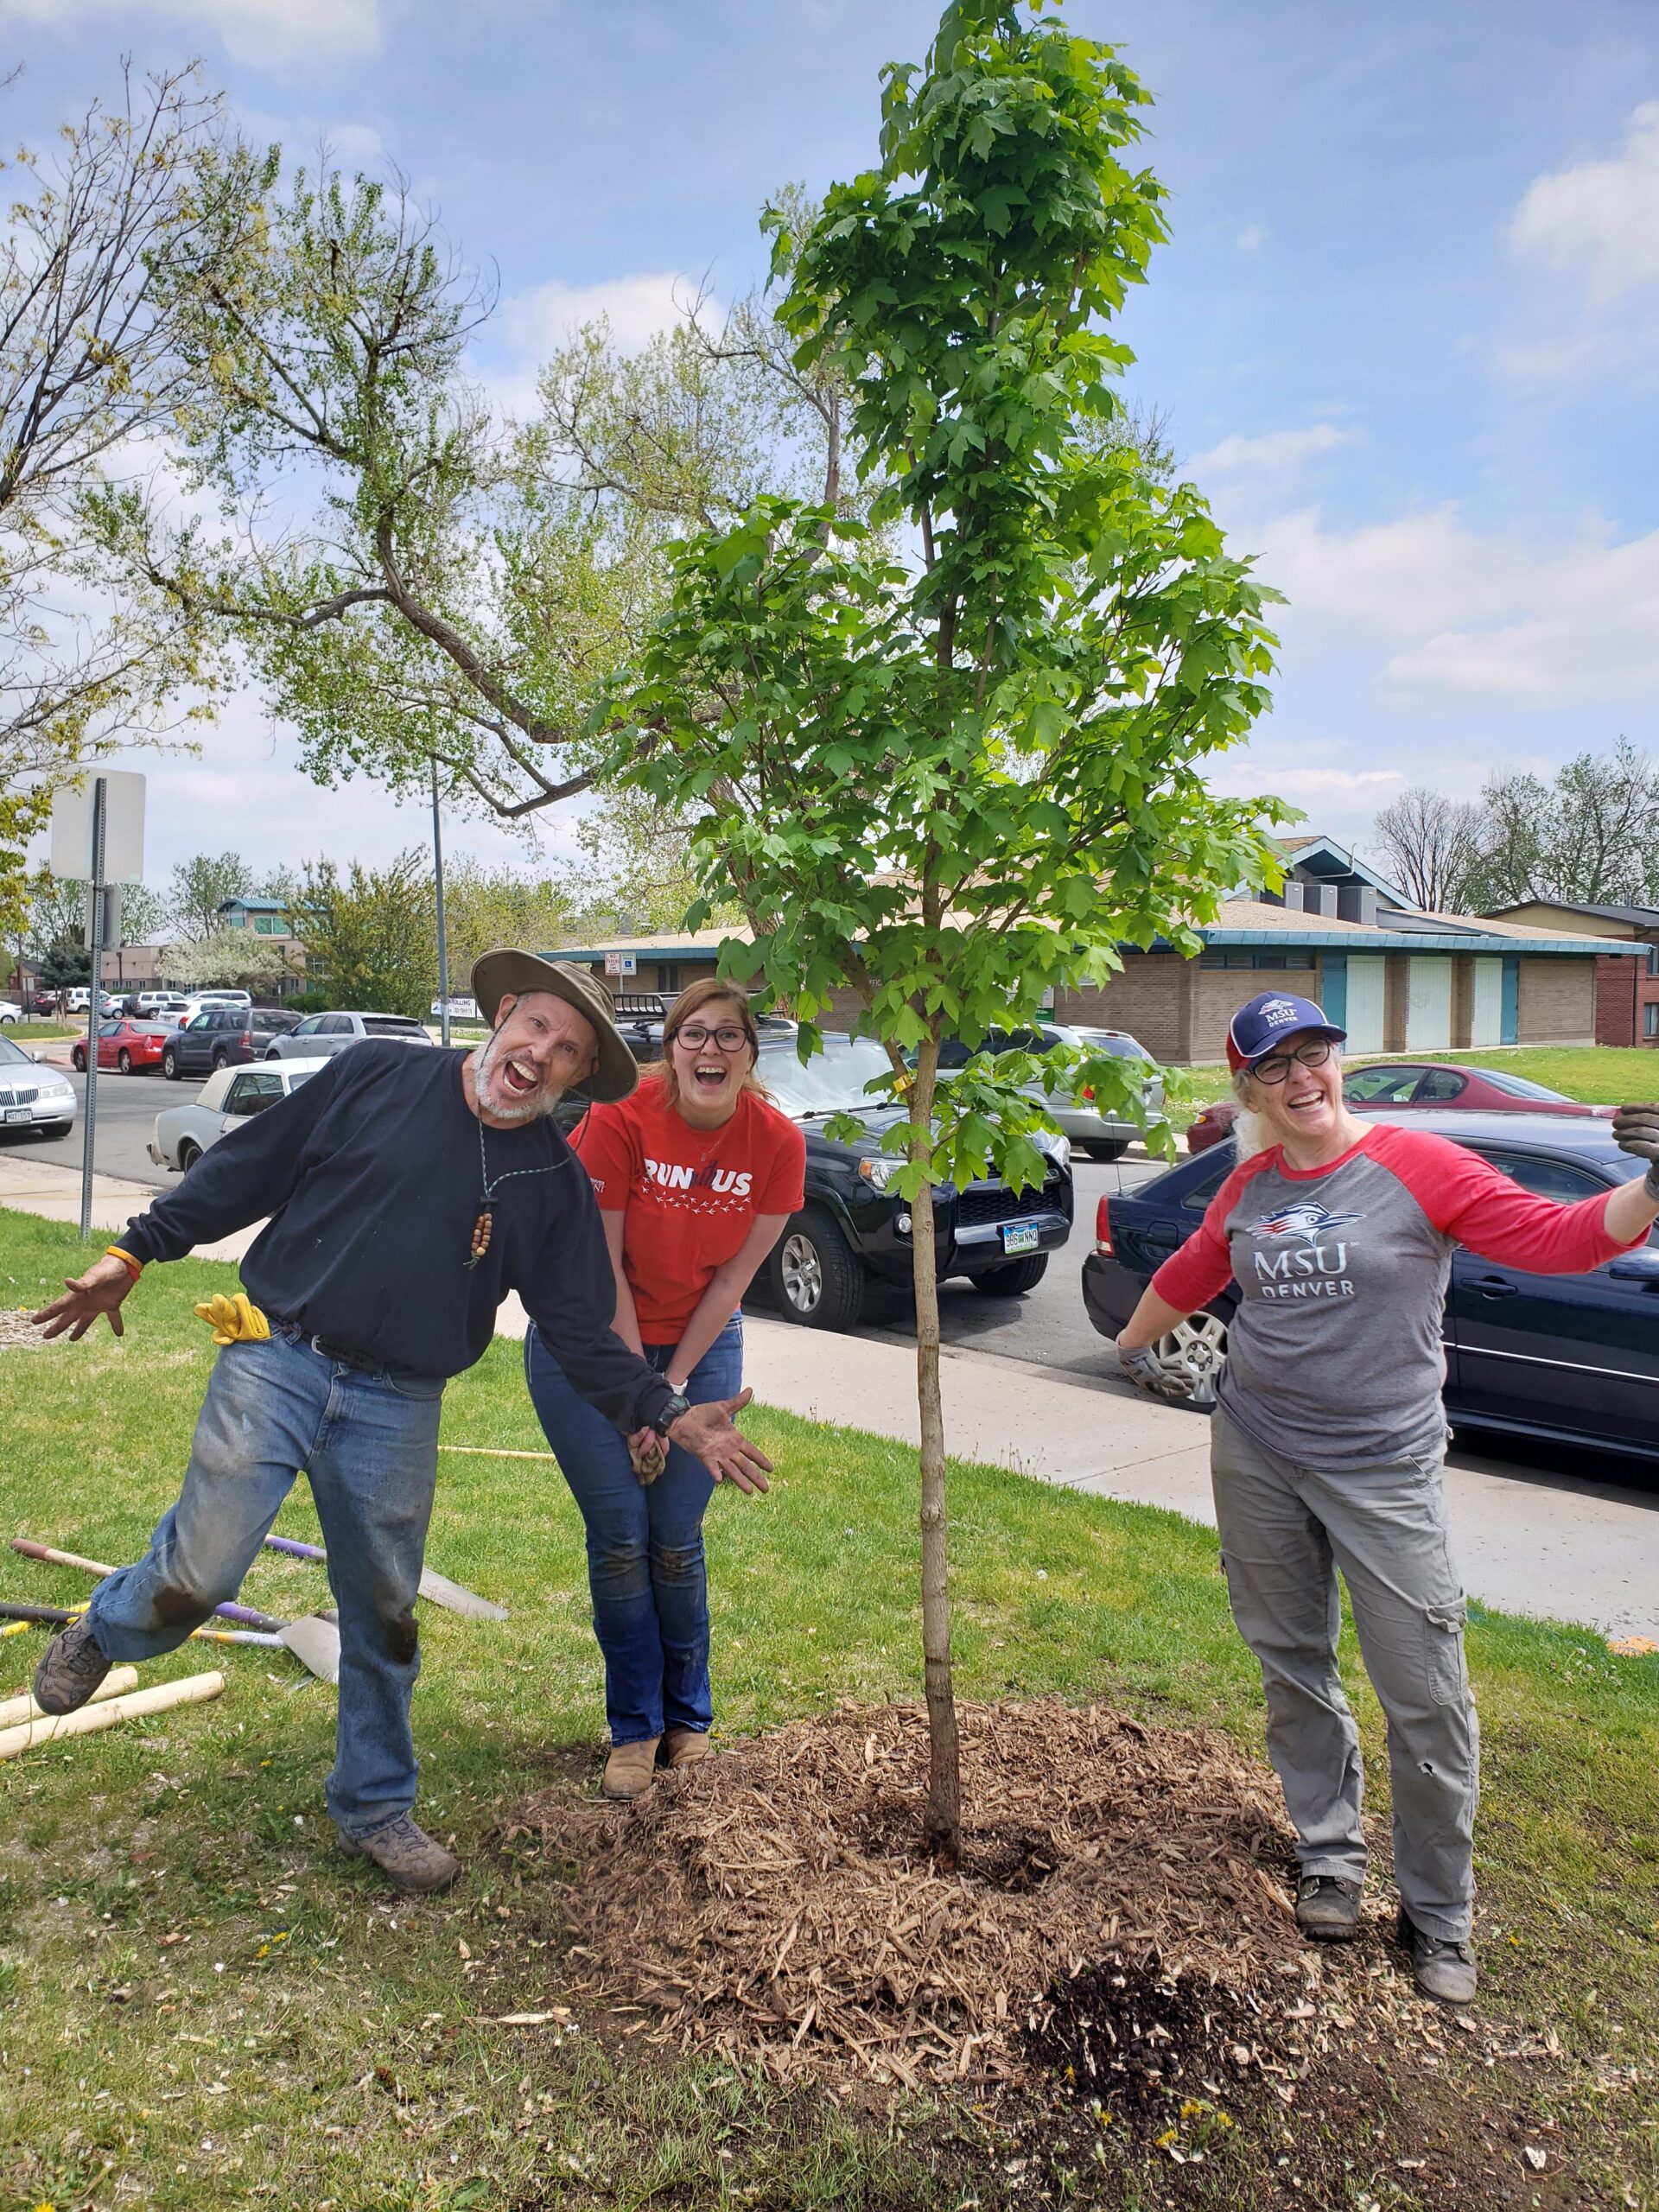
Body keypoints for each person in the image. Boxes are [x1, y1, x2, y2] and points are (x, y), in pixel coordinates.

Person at [29, 953, 773, 1895]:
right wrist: (135, 1250)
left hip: (400, 1401)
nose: (542, 1056)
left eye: (570, 1052)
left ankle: (375, 1804)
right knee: (200, 1570)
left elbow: (582, 1328)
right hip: (277, 1353)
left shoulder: (549, 1175)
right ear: (504, 1015)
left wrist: (668, 1411)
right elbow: (251, 1166)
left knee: (383, 1614)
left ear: (580, 1077)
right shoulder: (377, 1073)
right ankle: (109, 1624)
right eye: (537, 1028)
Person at [1114, 990, 1659, 2005]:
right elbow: (1195, 1268)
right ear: (1251, 1088)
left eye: (1315, 1054)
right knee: (1292, 1665)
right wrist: (1129, 1337)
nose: (1302, 1079)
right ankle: (1329, 1854)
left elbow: (1564, 1237)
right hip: (1259, 1448)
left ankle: (1439, 1912)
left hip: (1383, 1463)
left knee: (1425, 1693)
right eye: (1276, 1067)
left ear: (1339, 1061)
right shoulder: (1251, 1185)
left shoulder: (1420, 1165)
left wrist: (1653, 1188)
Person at [525, 978, 806, 1801]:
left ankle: (688, 1725)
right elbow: (599, 1263)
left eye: (728, 1037)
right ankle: (635, 1729)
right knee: (619, 1537)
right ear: (670, 1048)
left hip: (699, 1345)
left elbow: (733, 1282)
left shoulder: (776, 1144)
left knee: (675, 1541)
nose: (709, 1050)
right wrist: (638, 1399)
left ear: (751, 1056)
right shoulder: (619, 1117)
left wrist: (673, 1394)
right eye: (693, 1035)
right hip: (590, 1341)